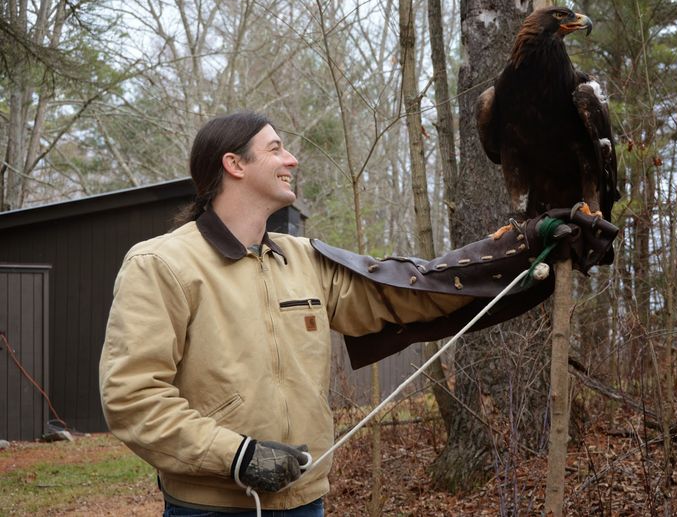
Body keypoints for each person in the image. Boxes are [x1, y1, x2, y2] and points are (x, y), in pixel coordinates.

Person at [99, 111, 617, 516]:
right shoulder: (161, 264)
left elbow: (412, 290)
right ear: (234, 165)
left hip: (305, 503)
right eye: (276, 148)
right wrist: (236, 456)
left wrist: (526, 247)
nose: (292, 159)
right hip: (208, 509)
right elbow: (132, 396)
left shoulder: (300, 258)